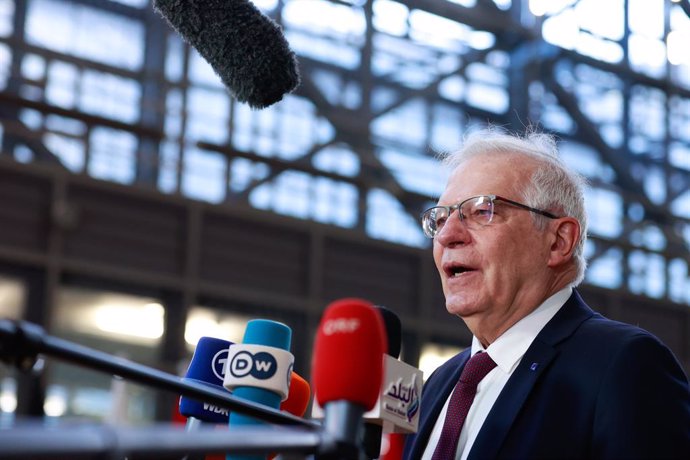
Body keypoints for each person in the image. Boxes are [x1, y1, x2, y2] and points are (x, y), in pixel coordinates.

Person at [403, 127, 690, 460]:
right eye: (439, 219)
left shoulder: (624, 364)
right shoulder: (438, 383)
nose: (447, 235)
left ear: (558, 241)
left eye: (482, 210)